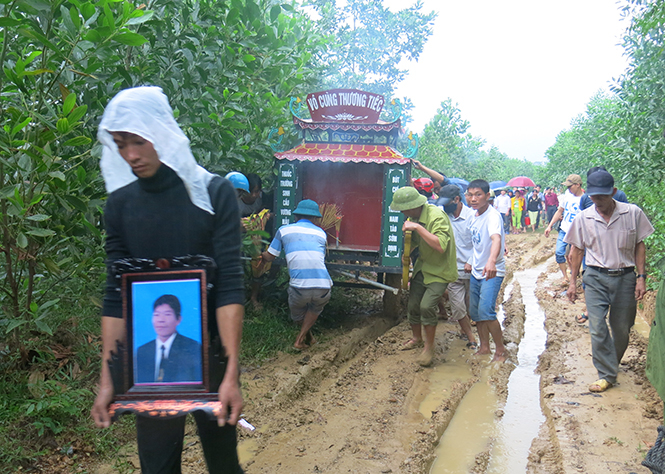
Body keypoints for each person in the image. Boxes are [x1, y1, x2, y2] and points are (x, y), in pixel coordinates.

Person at [90, 86, 245, 474]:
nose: (130, 156)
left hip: (211, 358)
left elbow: (228, 285)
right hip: (150, 375)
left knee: (223, 464)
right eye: (121, 144)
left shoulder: (214, 194)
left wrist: (231, 372)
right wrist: (108, 377)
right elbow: (115, 295)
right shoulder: (120, 206)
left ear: (160, 132)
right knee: (157, 467)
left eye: (138, 142)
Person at [565, 170, 653, 392]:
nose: (598, 201)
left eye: (602, 197)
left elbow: (639, 245)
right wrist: (573, 282)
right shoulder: (584, 217)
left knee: (622, 328)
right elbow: (576, 250)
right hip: (594, 277)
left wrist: (641, 277)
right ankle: (606, 374)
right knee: (596, 326)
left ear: (613, 192)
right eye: (594, 197)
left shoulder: (632, 213)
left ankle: (611, 363)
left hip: (625, 277)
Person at [390, 186, 457, 367]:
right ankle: (416, 338)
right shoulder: (414, 217)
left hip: (439, 270)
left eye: (404, 209)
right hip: (423, 267)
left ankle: (429, 348)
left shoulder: (436, 216)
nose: (403, 213)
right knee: (413, 304)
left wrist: (417, 228)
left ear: (413, 206)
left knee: (426, 306)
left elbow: (440, 245)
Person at [260, 199, 332, 350]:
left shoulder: (284, 230)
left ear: (296, 216)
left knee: (297, 316)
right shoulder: (321, 233)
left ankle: (299, 341)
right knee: (315, 309)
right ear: (315, 218)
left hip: (300, 289)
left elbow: (270, 256)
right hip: (323, 286)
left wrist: (260, 255)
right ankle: (310, 338)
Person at [465, 180, 507, 362]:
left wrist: (491, 262)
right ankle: (484, 347)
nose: (473, 199)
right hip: (476, 272)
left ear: (487, 196)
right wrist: (470, 261)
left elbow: (495, 239)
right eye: (470, 194)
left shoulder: (493, 216)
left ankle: (500, 349)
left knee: (486, 312)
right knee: (475, 313)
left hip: (492, 271)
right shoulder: (473, 216)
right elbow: (475, 244)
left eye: (478, 195)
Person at [438, 185, 478, 349]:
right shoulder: (442, 215)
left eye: (448, 203)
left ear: (457, 199)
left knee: (470, 307)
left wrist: (470, 260)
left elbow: (479, 243)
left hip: (471, 269)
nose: (445, 206)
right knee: (458, 307)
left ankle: (466, 328)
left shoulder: (472, 217)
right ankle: (471, 338)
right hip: (452, 271)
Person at [136, 294, 202, 384]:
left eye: (167, 314)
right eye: (156, 315)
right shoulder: (142, 351)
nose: (161, 320)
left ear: (178, 319)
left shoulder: (192, 348)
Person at [544, 174, 584, 284]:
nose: (568, 189)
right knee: (559, 253)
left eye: (570, 186)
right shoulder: (567, 196)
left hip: (577, 232)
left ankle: (574, 276)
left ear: (578, 185)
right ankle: (566, 276)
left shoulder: (585, 199)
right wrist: (550, 225)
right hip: (564, 229)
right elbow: (560, 211)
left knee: (573, 256)